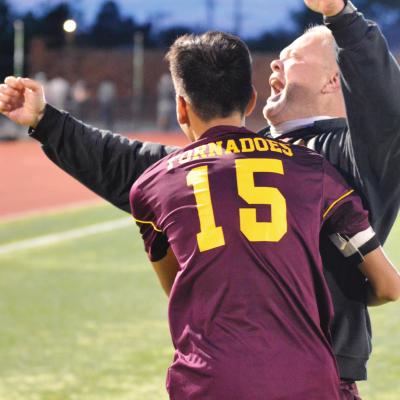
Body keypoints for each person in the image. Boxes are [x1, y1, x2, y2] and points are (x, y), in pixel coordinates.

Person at [0, 0, 399, 397]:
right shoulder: (256, 154)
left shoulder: (355, 152)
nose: (275, 65)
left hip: (316, 367)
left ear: (336, 79)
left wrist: (341, 16)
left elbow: (385, 108)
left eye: (291, 58)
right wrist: (47, 122)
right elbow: (133, 166)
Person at [129, 31, 399, 399]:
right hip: (308, 379)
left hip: (208, 381)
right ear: (252, 100)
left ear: (180, 107)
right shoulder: (314, 171)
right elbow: (389, 286)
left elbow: (178, 288)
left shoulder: (152, 185)